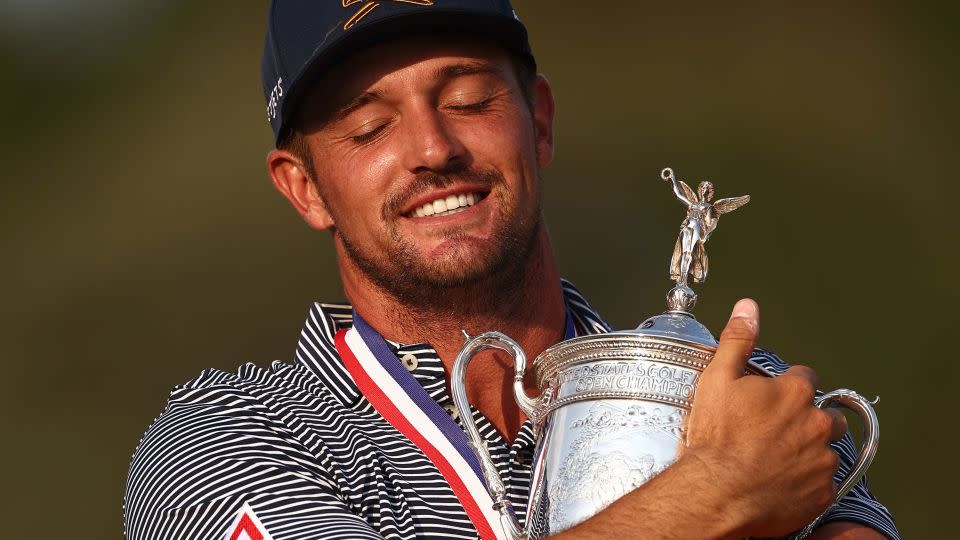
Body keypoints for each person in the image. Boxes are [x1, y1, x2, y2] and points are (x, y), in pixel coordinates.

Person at [123, 2, 899, 539]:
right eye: (370, 127)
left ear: (542, 120)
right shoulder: (228, 442)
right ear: (303, 186)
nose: (432, 148)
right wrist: (716, 493)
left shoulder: (728, 388)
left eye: (467, 99)